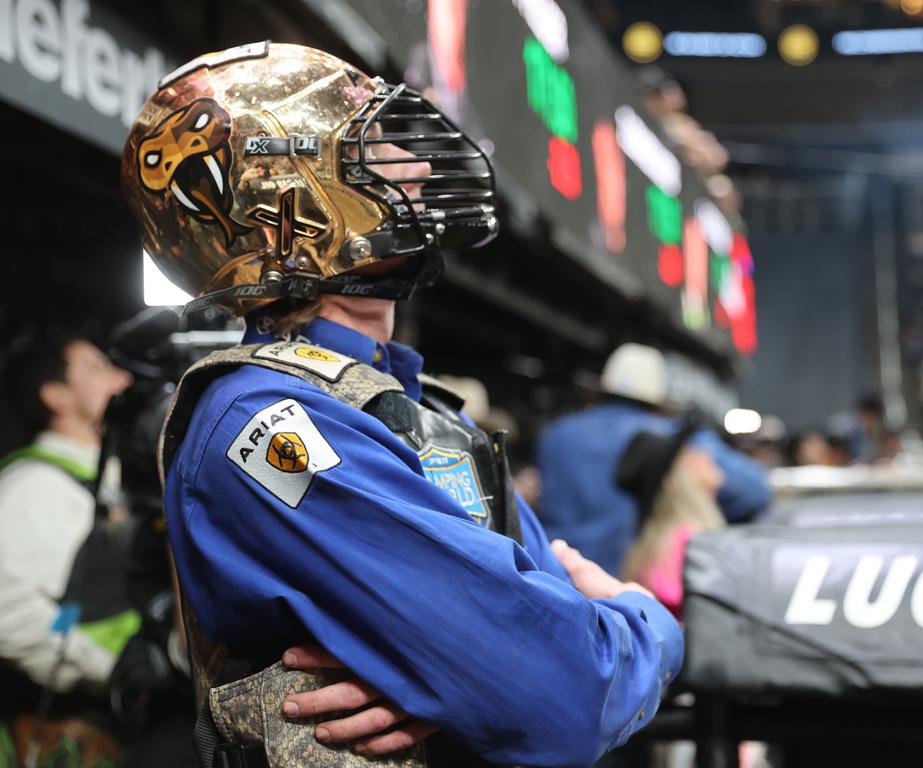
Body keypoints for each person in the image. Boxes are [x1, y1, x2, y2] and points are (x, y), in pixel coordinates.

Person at [121, 42, 683, 768]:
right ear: (289, 195)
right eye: (376, 150)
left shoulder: (423, 409)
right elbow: (569, 690)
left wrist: (452, 688)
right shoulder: (263, 422)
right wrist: (649, 621)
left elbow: (535, 666)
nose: (417, 167)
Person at [0, 329, 134, 767]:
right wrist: (110, 668)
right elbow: (9, 612)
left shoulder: (115, 477)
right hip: (84, 721)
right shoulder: (32, 486)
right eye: (97, 369)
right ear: (56, 396)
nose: (121, 379)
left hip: (134, 711)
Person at [536, 343, 771, 576]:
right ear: (658, 399)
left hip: (555, 573)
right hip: (627, 581)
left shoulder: (556, 434)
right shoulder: (669, 439)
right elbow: (754, 491)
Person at [617, 426, 726, 618]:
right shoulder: (685, 543)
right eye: (687, 455)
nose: (703, 454)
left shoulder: (670, 540)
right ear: (670, 481)